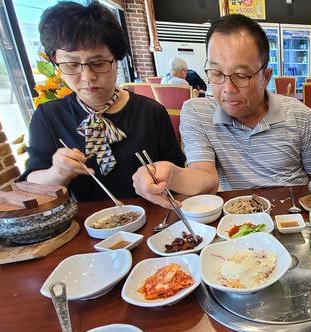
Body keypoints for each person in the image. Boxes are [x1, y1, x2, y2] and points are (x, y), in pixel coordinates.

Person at [133, 14, 311, 207]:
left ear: (266, 77)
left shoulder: (299, 114)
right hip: (234, 225)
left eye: (241, 75)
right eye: (217, 73)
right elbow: (206, 179)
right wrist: (172, 174)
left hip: (291, 218)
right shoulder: (197, 112)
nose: (227, 88)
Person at [21, 2, 204, 201]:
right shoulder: (49, 116)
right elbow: (31, 187)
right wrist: (58, 172)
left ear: (116, 59)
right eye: (72, 64)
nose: (87, 76)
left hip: (154, 219)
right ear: (55, 61)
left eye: (98, 63)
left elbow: (178, 175)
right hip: (85, 227)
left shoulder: (151, 112)